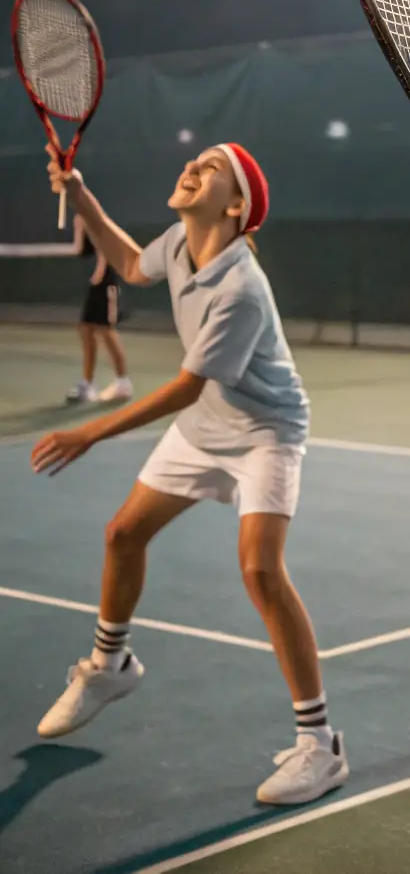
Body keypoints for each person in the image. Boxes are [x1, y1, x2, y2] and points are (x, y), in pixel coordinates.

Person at [32, 142, 348, 807]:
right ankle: (110, 663)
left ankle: (320, 746)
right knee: (123, 533)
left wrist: (90, 430)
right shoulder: (179, 239)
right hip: (208, 422)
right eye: (195, 159)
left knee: (261, 570)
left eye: (211, 168)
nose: (192, 167)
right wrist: (81, 191)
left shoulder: (241, 287)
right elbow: (125, 261)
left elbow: (184, 387)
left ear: (235, 207)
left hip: (266, 428)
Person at [65, 213, 133, 405]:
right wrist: (79, 225)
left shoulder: (98, 220)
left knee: (106, 330)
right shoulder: (84, 219)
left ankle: (122, 383)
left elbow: (108, 251)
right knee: (86, 329)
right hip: (97, 284)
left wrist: (100, 275)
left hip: (107, 283)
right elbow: (80, 249)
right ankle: (87, 384)